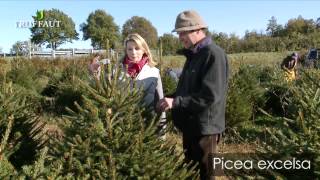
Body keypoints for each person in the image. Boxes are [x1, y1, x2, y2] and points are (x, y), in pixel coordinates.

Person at [156, 10, 229, 179]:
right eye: (178, 33)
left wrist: (176, 102)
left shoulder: (213, 54)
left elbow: (210, 95)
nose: (180, 37)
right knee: (191, 171)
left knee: (206, 173)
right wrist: (171, 98)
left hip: (205, 129)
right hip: (191, 126)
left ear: (198, 30)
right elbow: (187, 91)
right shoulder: (194, 55)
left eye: (183, 33)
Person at [88, 33, 166, 139]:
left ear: (144, 49)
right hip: (121, 126)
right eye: (130, 49)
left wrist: (161, 134)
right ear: (126, 50)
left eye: (137, 48)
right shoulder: (116, 69)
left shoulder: (154, 72)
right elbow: (101, 91)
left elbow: (161, 103)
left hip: (146, 126)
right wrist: (95, 73)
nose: (133, 53)